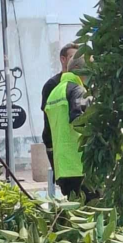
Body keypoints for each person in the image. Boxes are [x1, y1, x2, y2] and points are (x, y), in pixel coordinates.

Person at [43, 53, 90, 199]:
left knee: (74, 207)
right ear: (79, 69)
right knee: (93, 208)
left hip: (63, 167)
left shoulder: (54, 93)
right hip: (80, 165)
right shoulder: (78, 90)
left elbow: (47, 135)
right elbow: (78, 119)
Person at [41, 42, 78, 171]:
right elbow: (48, 117)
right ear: (63, 59)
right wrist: (50, 145)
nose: (77, 61)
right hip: (57, 142)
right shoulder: (52, 84)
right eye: (73, 57)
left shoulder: (81, 83)